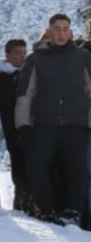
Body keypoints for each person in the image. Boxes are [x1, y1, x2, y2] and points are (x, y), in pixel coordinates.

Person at [14, 13, 91, 226]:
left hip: (76, 123)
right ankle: (46, 209)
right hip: (44, 124)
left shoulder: (83, 57)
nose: (61, 33)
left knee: (77, 170)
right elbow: (25, 94)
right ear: (49, 32)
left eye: (65, 29)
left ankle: (73, 211)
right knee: (38, 167)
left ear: (71, 32)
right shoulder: (36, 59)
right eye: (57, 29)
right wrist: (23, 125)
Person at [0, 38, 31, 211]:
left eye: (24, 53)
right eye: (17, 53)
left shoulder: (29, 74)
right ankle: (21, 200)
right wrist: (12, 132)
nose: (22, 57)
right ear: (7, 55)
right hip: (13, 129)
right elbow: (5, 108)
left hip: (31, 128)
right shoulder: (4, 77)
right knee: (19, 165)